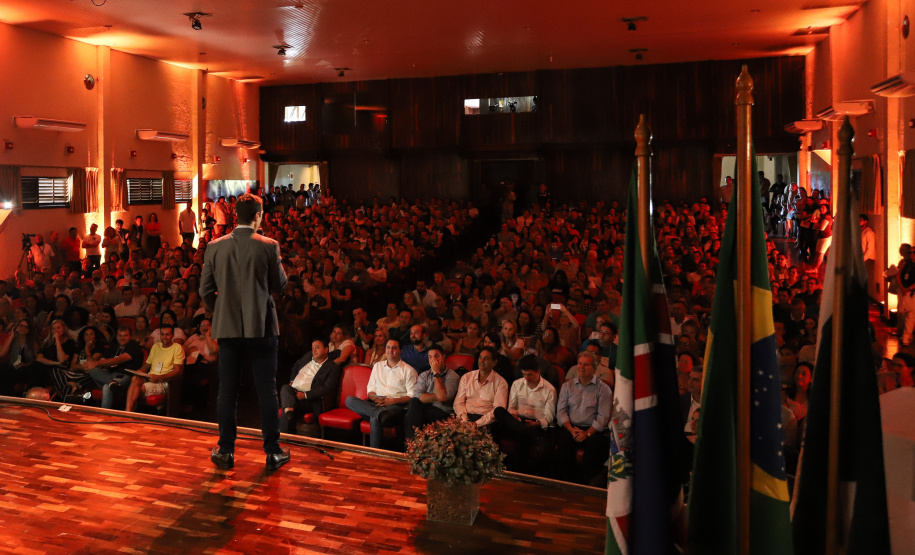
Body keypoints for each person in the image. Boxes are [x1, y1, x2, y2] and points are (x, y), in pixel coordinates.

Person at [200, 193, 290, 471]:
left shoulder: (214, 246)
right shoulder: (268, 245)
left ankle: (226, 450)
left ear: (234, 215)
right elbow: (281, 287)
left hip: (228, 329)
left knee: (227, 390)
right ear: (258, 216)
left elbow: (204, 291)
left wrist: (223, 310)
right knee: (266, 390)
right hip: (261, 326)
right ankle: (273, 452)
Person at [345, 339, 417, 449]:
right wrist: (375, 398)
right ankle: (380, 414)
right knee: (349, 400)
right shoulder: (377, 366)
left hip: (396, 406)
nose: (390, 350)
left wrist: (392, 401)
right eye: (388, 347)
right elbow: (370, 389)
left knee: (374, 418)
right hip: (376, 403)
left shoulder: (408, 370)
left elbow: (412, 396)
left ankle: (375, 453)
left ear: (400, 351)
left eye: (394, 348)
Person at [493, 354, 556, 474]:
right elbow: (511, 407)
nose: (526, 378)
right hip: (517, 421)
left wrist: (535, 424)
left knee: (522, 435)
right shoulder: (517, 384)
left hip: (535, 425)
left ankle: (518, 473)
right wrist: (513, 415)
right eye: (524, 374)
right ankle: (524, 431)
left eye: (530, 375)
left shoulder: (549, 390)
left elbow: (548, 417)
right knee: (498, 411)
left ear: (538, 371)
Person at [555, 351, 612, 484]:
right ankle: (566, 483)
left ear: (594, 368)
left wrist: (587, 433)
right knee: (563, 446)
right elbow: (561, 412)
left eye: (586, 365)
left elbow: (603, 416)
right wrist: (571, 429)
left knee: (593, 451)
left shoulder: (603, 389)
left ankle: (588, 485)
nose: (581, 367)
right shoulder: (567, 386)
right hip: (571, 427)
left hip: (593, 430)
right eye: (579, 363)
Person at [278, 339, 342, 434]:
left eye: (317, 348)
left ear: (326, 350)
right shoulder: (308, 356)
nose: (314, 350)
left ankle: (284, 435)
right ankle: (289, 417)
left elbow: (328, 387)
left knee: (286, 408)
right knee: (285, 387)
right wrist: (292, 380)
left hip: (309, 400)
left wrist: (305, 395)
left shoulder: (332, 367)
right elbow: (296, 366)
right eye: (312, 348)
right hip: (293, 393)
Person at [403, 344, 460, 441]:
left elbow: (443, 398)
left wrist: (436, 373)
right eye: (430, 357)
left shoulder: (453, 376)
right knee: (413, 402)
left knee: (411, 416)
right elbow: (418, 397)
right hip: (425, 408)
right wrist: (437, 395)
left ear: (444, 357)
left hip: (442, 411)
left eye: (436, 356)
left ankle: (410, 446)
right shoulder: (424, 375)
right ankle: (411, 444)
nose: (433, 360)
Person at [125, 324, 185, 412]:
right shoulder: (156, 346)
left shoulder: (177, 348)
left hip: (163, 382)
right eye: (162, 334)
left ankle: (128, 412)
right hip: (150, 378)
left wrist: (158, 377)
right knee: (135, 378)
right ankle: (128, 411)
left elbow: (177, 371)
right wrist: (141, 371)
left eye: (167, 334)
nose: (164, 337)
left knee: (136, 389)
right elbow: (146, 366)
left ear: (172, 335)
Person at [87, 326, 145, 410]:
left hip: (126, 376)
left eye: (125, 335)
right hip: (110, 375)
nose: (122, 338)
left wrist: (96, 363)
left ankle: (105, 415)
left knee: (107, 387)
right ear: (117, 337)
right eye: (120, 336)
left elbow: (117, 360)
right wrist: (91, 364)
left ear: (130, 336)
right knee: (93, 370)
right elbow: (102, 360)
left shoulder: (134, 347)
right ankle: (112, 383)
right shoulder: (114, 346)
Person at [453, 346, 509, 429]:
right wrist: (464, 419)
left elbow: (498, 411)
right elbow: (458, 402)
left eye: (486, 359)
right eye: (480, 358)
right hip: (465, 417)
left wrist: (477, 424)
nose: (481, 361)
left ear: (494, 362)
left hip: (487, 421)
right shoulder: (466, 377)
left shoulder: (501, 382)